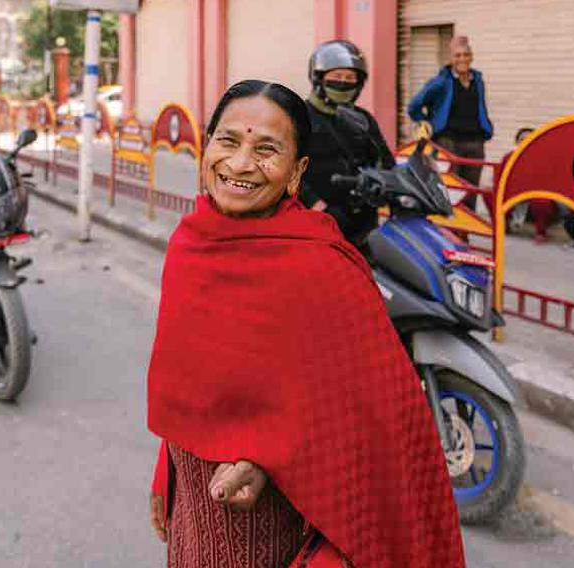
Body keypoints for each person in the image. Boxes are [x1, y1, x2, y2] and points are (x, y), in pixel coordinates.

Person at [147, 80, 464, 567]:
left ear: (297, 174)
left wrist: (266, 463)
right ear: (206, 147)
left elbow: (373, 431)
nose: (240, 163)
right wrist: (165, 473)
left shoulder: (320, 267)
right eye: (228, 141)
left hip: (275, 534)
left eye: (266, 150)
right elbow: (191, 390)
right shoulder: (189, 246)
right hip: (193, 521)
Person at [300, 40, 395, 247]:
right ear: (318, 78)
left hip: (365, 220)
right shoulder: (301, 117)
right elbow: (287, 169)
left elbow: (386, 160)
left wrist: (389, 185)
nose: (343, 82)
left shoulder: (363, 119)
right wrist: (317, 206)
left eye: (350, 78)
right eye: (336, 77)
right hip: (320, 221)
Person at [408, 35, 493, 208]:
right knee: (451, 191)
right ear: (451, 58)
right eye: (457, 55)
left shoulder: (477, 80)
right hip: (448, 142)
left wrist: (486, 127)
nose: (462, 59)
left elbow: (480, 107)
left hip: (475, 142)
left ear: (471, 57)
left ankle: (465, 233)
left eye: (465, 55)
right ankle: (449, 232)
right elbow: (413, 106)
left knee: (471, 191)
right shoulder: (440, 82)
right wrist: (427, 124)